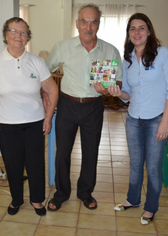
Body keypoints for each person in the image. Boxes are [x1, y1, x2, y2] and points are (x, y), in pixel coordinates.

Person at [45, 3, 123, 211]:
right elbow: (45, 73)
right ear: (77, 23)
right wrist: (47, 94)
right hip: (67, 105)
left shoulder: (110, 50)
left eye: (93, 22)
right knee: (62, 153)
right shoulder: (63, 47)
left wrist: (109, 90)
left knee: (91, 152)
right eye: (84, 21)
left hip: (93, 106)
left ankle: (85, 192)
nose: (88, 27)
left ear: (99, 24)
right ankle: (61, 193)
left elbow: (119, 82)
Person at [0, 17, 58, 216]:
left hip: (34, 122)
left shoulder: (36, 62)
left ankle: (37, 200)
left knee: (35, 163)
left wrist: (48, 118)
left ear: (28, 38)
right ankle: (16, 199)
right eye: (14, 31)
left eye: (23, 33)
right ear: (6, 35)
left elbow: (52, 90)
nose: (18, 36)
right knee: (13, 164)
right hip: (7, 123)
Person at [108, 13, 168, 225]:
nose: (136, 32)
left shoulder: (163, 54)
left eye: (141, 28)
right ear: (128, 34)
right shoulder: (127, 59)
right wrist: (118, 94)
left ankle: (150, 207)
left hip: (157, 119)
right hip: (133, 119)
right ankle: (133, 200)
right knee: (136, 163)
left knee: (154, 167)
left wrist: (165, 122)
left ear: (149, 31)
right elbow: (128, 93)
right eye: (132, 29)